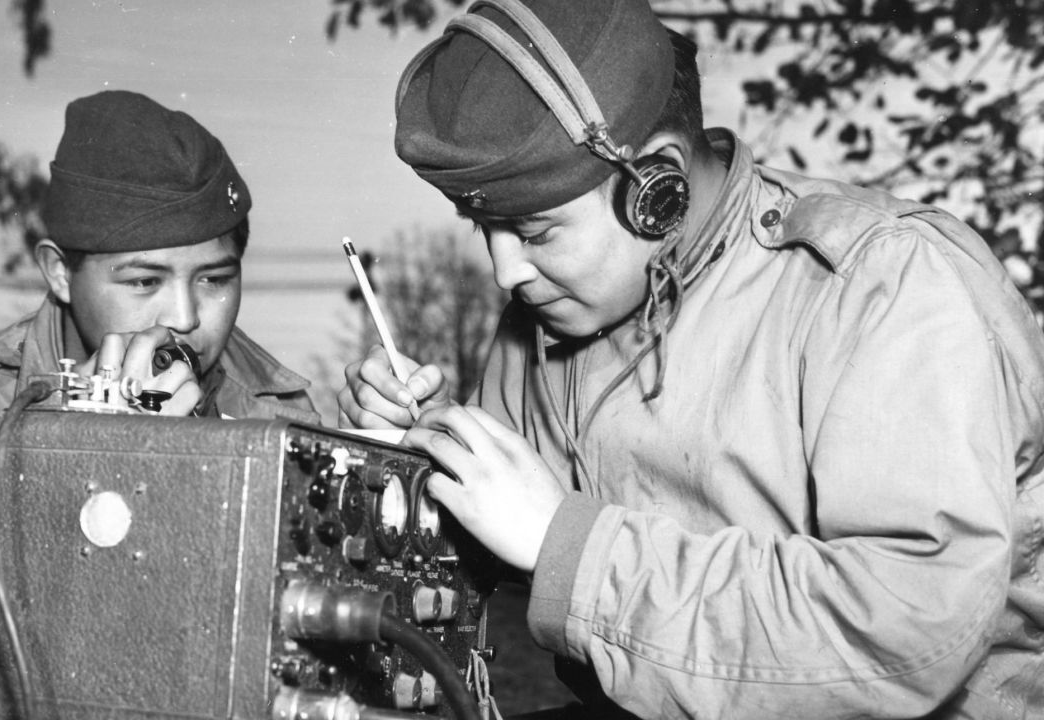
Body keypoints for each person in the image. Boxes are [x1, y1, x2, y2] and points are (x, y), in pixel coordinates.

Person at [338, 0, 1044, 717]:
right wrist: (408, 465)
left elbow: (903, 630)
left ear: (656, 190)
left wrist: (574, 550)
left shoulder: (882, 283)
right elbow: (490, 546)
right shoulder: (550, 315)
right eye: (484, 228)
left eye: (534, 231)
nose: (505, 272)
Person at [0, 90, 320, 653]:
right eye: (144, 282)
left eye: (214, 279)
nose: (184, 318)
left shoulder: (274, 406)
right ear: (60, 274)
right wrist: (70, 468)